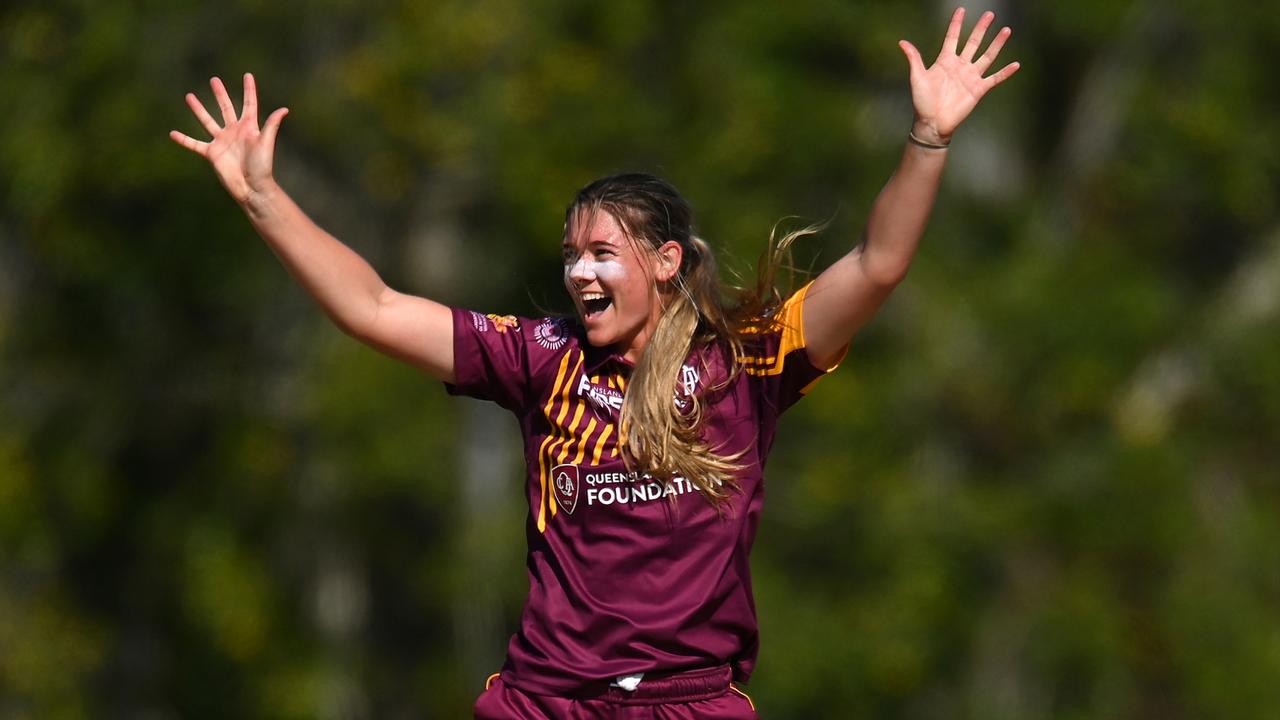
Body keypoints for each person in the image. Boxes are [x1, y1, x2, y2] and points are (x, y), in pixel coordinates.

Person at [172, 8, 1018, 718]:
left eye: (603, 252)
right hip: (549, 701)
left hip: (690, 701)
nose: (579, 272)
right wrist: (264, 199)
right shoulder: (541, 359)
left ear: (665, 262)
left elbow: (877, 265)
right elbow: (375, 308)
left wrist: (928, 137)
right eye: (571, 253)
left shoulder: (746, 360)